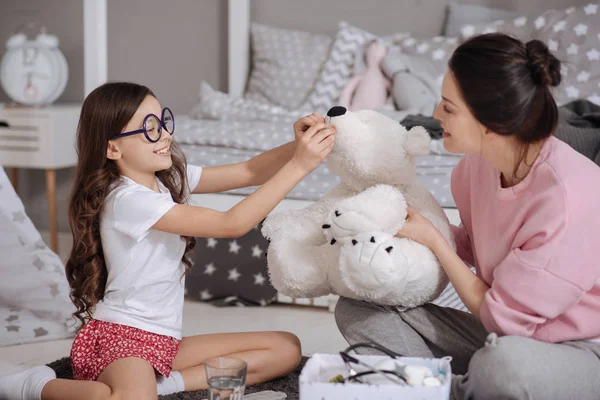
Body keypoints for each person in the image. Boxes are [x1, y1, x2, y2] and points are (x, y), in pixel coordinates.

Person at [0, 82, 336, 400]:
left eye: (163, 122)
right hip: (120, 339)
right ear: (113, 148)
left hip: (164, 343)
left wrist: (299, 145)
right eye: (149, 130)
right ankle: (36, 384)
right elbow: (230, 223)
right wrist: (300, 166)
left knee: (286, 349)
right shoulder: (126, 200)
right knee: (114, 397)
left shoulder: (167, 176)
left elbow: (248, 171)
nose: (164, 136)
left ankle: (164, 384)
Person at [335, 33, 600, 399]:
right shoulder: (475, 168)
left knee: (502, 368)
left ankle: (425, 387)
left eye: (448, 107)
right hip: (504, 334)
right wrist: (402, 233)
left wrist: (434, 241)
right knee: (358, 306)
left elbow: (502, 317)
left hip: (582, 349)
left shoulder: (567, 199)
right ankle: (448, 389)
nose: (434, 115)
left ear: (491, 125)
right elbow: (476, 247)